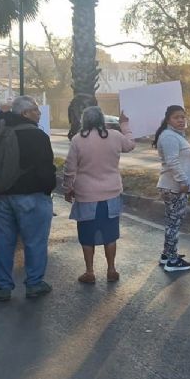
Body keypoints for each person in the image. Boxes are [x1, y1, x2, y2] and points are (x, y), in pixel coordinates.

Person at [0, 96, 56, 300]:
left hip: (1, 196)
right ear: (25, 113)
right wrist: (48, 190)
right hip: (31, 196)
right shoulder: (37, 136)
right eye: (35, 110)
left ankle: (2, 287)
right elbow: (46, 170)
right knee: (34, 242)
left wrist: (1, 112)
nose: (39, 113)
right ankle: (34, 284)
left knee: (3, 242)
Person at [63, 106, 135, 284]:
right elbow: (130, 144)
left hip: (86, 195)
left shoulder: (78, 140)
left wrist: (68, 188)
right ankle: (111, 269)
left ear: (84, 120)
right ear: (102, 119)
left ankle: (90, 272)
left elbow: (70, 168)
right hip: (111, 193)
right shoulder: (115, 136)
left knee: (87, 235)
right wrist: (124, 125)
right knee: (110, 233)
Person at [154, 105, 190, 272]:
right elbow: (172, 161)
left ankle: (166, 254)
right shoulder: (169, 137)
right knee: (174, 224)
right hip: (175, 187)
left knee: (172, 222)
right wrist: (183, 181)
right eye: (176, 117)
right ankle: (172, 260)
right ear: (168, 120)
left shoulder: (174, 135)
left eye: (183, 117)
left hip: (173, 186)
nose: (181, 120)